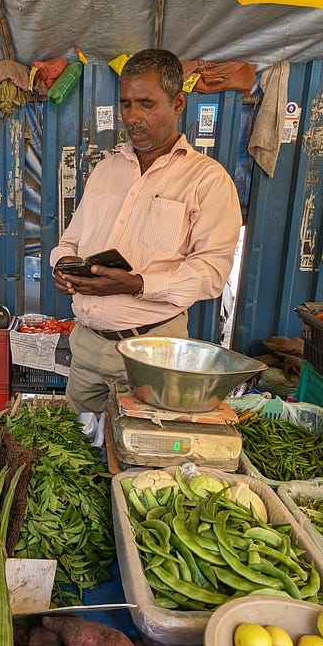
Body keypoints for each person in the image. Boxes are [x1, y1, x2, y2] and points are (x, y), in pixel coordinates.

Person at [50, 49, 243, 415]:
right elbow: (69, 241)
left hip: (151, 355)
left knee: (139, 460)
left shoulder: (208, 180)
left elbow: (212, 275)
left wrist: (136, 284)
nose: (133, 117)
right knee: (74, 451)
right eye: (125, 104)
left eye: (146, 104)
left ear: (178, 103)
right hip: (87, 350)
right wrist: (64, 266)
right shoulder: (106, 170)